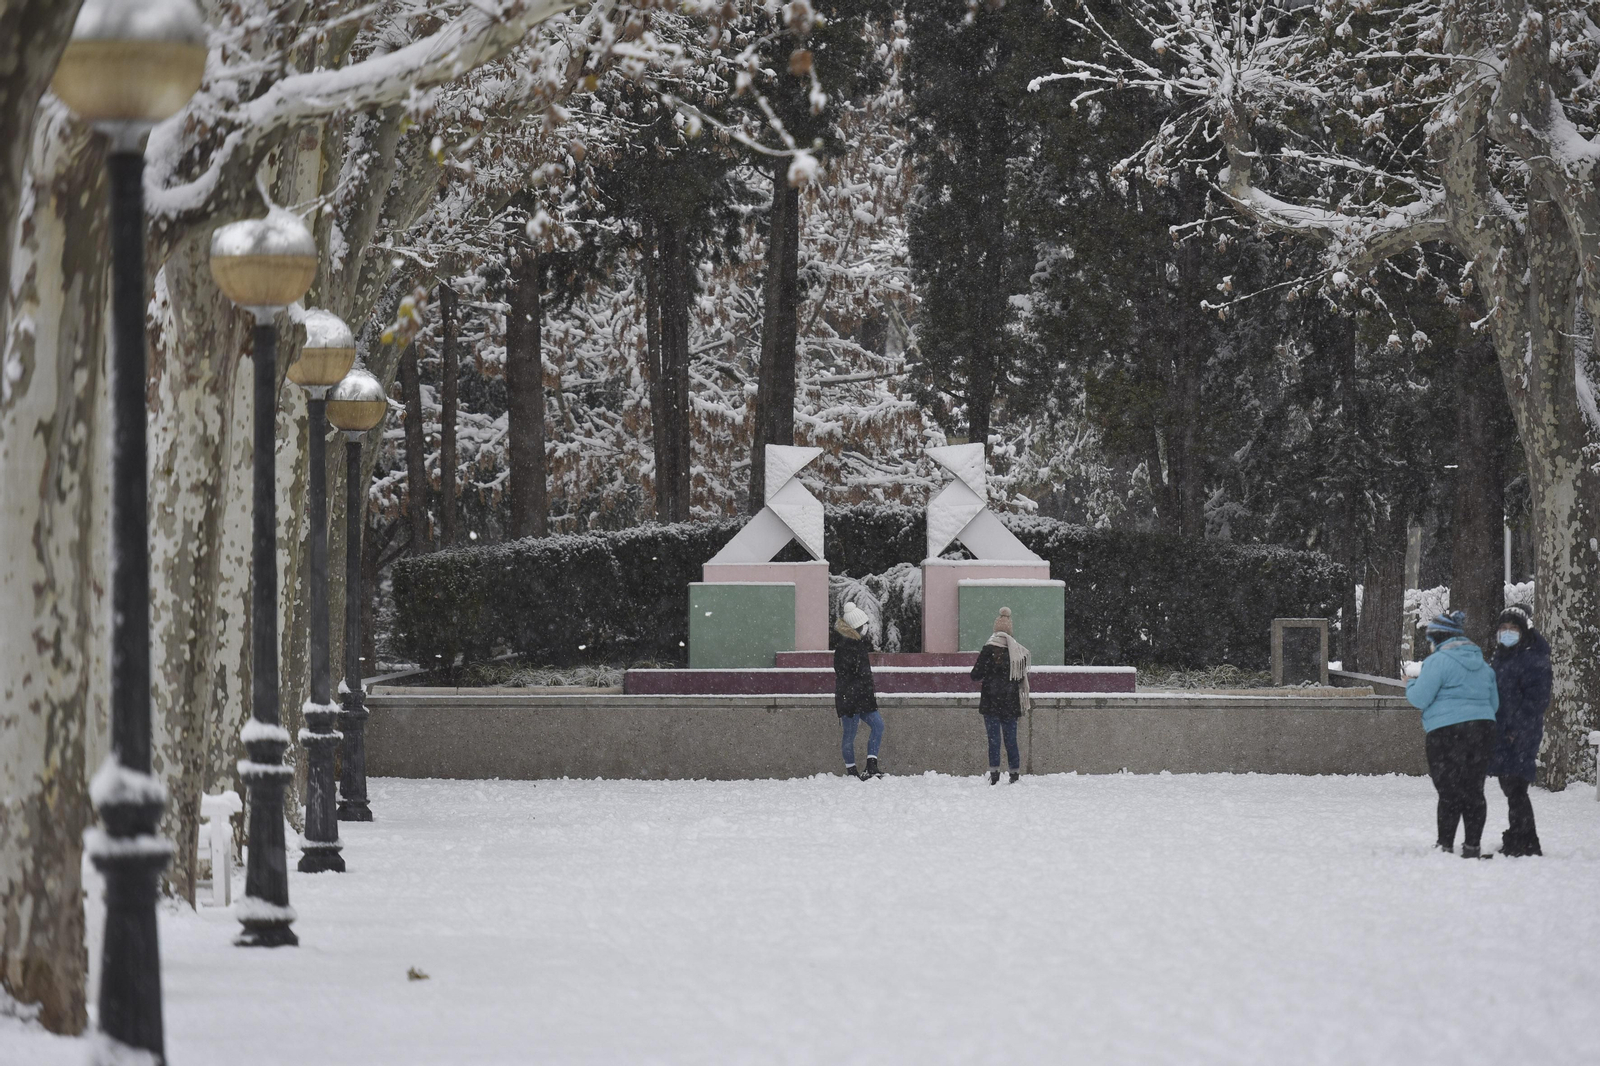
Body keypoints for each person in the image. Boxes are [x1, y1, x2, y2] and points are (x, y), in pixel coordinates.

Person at [1405, 610, 1499, 858]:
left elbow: (1420, 698)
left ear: (1438, 637)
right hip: (1482, 730)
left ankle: (1445, 845)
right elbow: (1494, 704)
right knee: (1474, 789)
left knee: (1449, 790)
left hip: (1447, 732)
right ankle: (1472, 846)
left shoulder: (1437, 662)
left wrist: (1411, 683)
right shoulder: (1483, 664)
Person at [1488, 604, 1551, 856]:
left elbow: (1537, 699)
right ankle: (1522, 837)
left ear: (1523, 631)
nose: (1507, 632)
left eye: (1513, 627)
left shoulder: (1533, 657)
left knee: (1516, 787)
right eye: (1503, 627)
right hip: (1503, 730)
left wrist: (1516, 727)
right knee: (1510, 786)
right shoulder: (1501, 656)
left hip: (1521, 731)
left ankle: (1524, 841)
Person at [971, 606, 1030, 784]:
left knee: (993, 740)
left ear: (995, 630)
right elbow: (1020, 677)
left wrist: (989, 669)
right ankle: (1014, 774)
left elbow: (975, 675)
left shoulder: (988, 649)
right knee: (1011, 740)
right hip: (1010, 703)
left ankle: (994, 774)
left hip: (991, 702)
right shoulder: (1016, 652)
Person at [834, 601, 883, 780]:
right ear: (857, 627)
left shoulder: (858, 645)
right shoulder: (845, 648)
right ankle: (852, 771)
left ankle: (871, 764)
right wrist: (854, 697)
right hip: (851, 699)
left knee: (878, 726)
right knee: (850, 734)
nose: (867, 627)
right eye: (864, 625)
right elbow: (847, 676)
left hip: (862, 698)